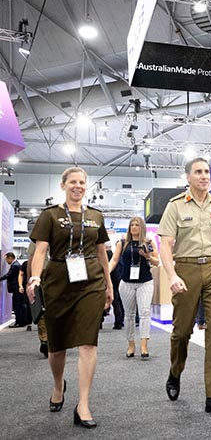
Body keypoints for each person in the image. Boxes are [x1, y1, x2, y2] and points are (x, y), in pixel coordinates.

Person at [26, 166, 113, 429]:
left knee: (88, 343)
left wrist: (108, 285)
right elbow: (41, 250)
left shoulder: (96, 216)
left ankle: (83, 404)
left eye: (82, 182)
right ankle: (57, 385)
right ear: (63, 185)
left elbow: (101, 253)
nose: (78, 186)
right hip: (58, 281)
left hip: (91, 282)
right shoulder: (50, 216)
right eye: (73, 182)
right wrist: (35, 276)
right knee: (57, 345)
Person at [157, 157, 211, 417]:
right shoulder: (175, 206)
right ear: (188, 177)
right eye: (198, 172)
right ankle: (175, 371)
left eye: (206, 171)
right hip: (186, 270)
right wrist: (172, 276)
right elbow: (166, 245)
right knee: (181, 332)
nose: (204, 176)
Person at [109, 216, 159, 358]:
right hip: (126, 283)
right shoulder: (123, 242)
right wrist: (105, 273)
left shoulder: (148, 242)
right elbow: (114, 260)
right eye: (132, 225)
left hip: (145, 282)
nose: (134, 227)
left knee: (144, 313)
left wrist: (147, 256)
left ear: (142, 227)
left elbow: (156, 261)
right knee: (129, 315)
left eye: (137, 225)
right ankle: (131, 345)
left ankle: (144, 346)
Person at [2, 252, 27, 329]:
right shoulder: (16, 264)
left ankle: (19, 322)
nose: (6, 261)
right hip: (17, 289)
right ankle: (21, 321)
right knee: (18, 305)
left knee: (17, 306)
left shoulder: (15, 265)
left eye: (6, 260)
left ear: (10, 258)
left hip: (16, 289)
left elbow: (9, 275)